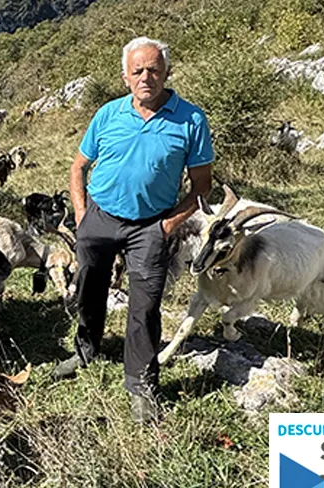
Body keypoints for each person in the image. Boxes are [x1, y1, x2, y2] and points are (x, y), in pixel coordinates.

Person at [53, 37, 214, 423]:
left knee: (145, 306)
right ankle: (86, 351)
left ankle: (141, 385)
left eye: (154, 70)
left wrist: (168, 226)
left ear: (167, 73)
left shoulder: (191, 120)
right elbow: (78, 166)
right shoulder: (108, 114)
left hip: (151, 226)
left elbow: (202, 188)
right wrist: (81, 215)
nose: (147, 77)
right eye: (138, 71)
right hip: (99, 217)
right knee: (89, 288)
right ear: (125, 77)